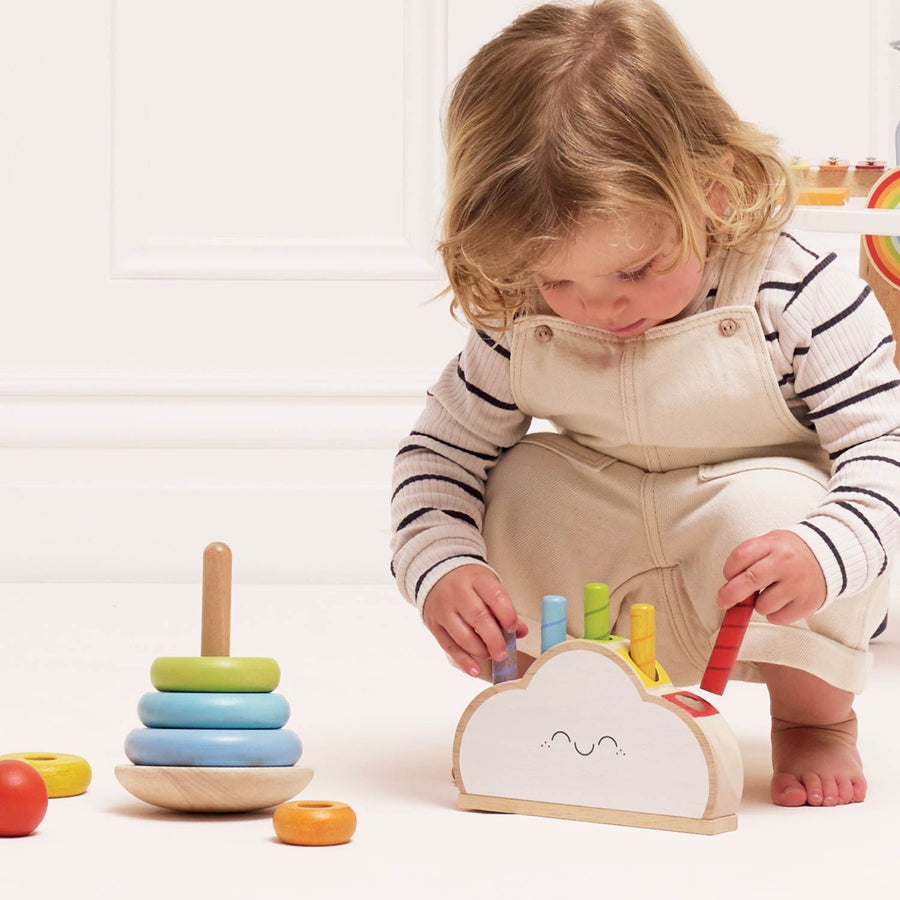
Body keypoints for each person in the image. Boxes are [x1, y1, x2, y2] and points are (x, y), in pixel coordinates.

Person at [390, 0, 900, 808]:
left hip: (753, 569)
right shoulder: (520, 318)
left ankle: (814, 717)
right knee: (517, 486)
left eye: (635, 270)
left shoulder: (797, 291)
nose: (600, 308)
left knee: (780, 508)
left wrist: (823, 549)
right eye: (559, 280)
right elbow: (437, 457)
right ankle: (558, 703)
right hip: (608, 561)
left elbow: (883, 451)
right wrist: (443, 568)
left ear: (712, 189)